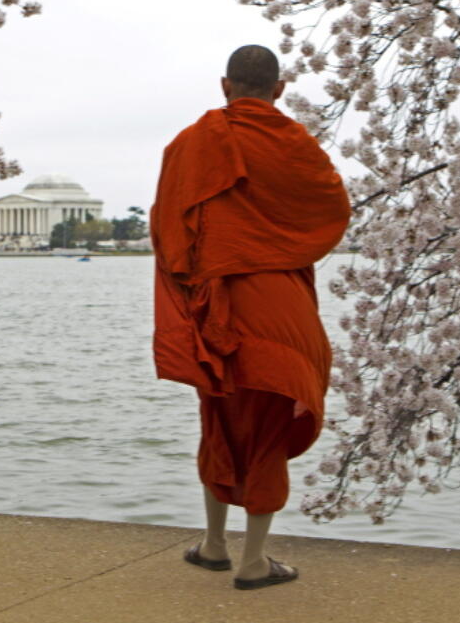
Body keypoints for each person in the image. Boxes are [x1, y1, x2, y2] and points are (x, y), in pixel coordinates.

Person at [150, 44, 350, 590]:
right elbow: (333, 210)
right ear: (279, 89)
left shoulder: (189, 144)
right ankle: (253, 560)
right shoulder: (296, 145)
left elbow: (169, 233)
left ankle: (215, 546)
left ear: (225, 86)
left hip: (217, 304)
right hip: (279, 304)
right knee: (266, 427)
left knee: (218, 419)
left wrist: (198, 283)